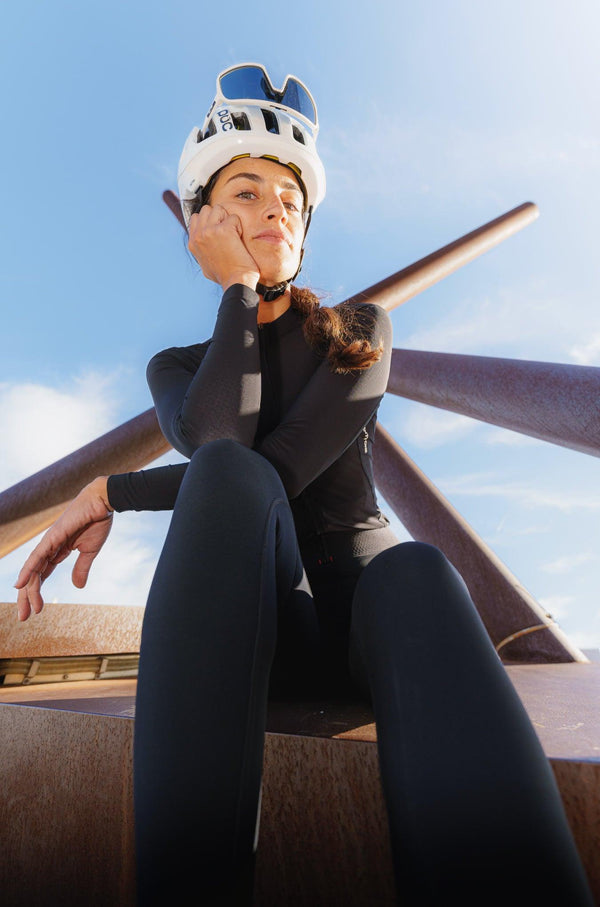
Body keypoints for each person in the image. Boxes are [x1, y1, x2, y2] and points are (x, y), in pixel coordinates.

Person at [15, 64, 594, 907]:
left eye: (291, 198)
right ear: (203, 222)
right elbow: (223, 448)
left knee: (416, 566)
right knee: (226, 470)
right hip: (263, 627)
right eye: (246, 192)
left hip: (378, 625)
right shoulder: (177, 366)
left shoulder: (358, 332)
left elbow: (281, 468)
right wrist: (238, 291)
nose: (277, 209)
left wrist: (113, 490)